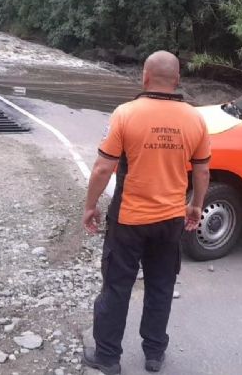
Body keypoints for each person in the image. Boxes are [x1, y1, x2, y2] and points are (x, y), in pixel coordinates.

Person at [81, 51, 211, 374]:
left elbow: (102, 168)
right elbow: (203, 171)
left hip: (129, 220)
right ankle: (154, 353)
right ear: (177, 80)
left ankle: (108, 358)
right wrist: (195, 206)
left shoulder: (125, 114)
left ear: (145, 77)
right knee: (161, 286)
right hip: (170, 220)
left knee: (116, 286)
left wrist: (90, 206)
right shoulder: (195, 118)